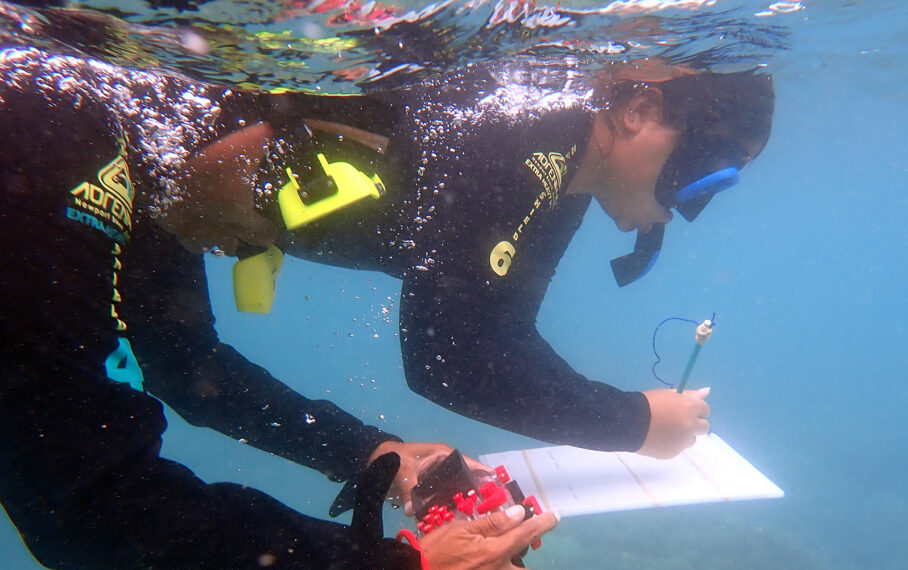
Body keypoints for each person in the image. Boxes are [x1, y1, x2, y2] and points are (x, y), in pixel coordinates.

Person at [0, 46, 556, 570]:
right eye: (299, 189)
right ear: (265, 115)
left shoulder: (142, 168)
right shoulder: (49, 128)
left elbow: (187, 364)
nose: (261, 239)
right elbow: (81, 496)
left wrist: (373, 453)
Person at [158, 60, 775, 460]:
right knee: (173, 367)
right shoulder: (526, 136)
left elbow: (502, 331)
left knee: (183, 367)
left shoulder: (565, 174)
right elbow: (446, 361)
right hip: (143, 162)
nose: (687, 208)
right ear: (637, 112)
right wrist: (629, 423)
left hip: (176, 202)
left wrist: (631, 417)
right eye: (704, 174)